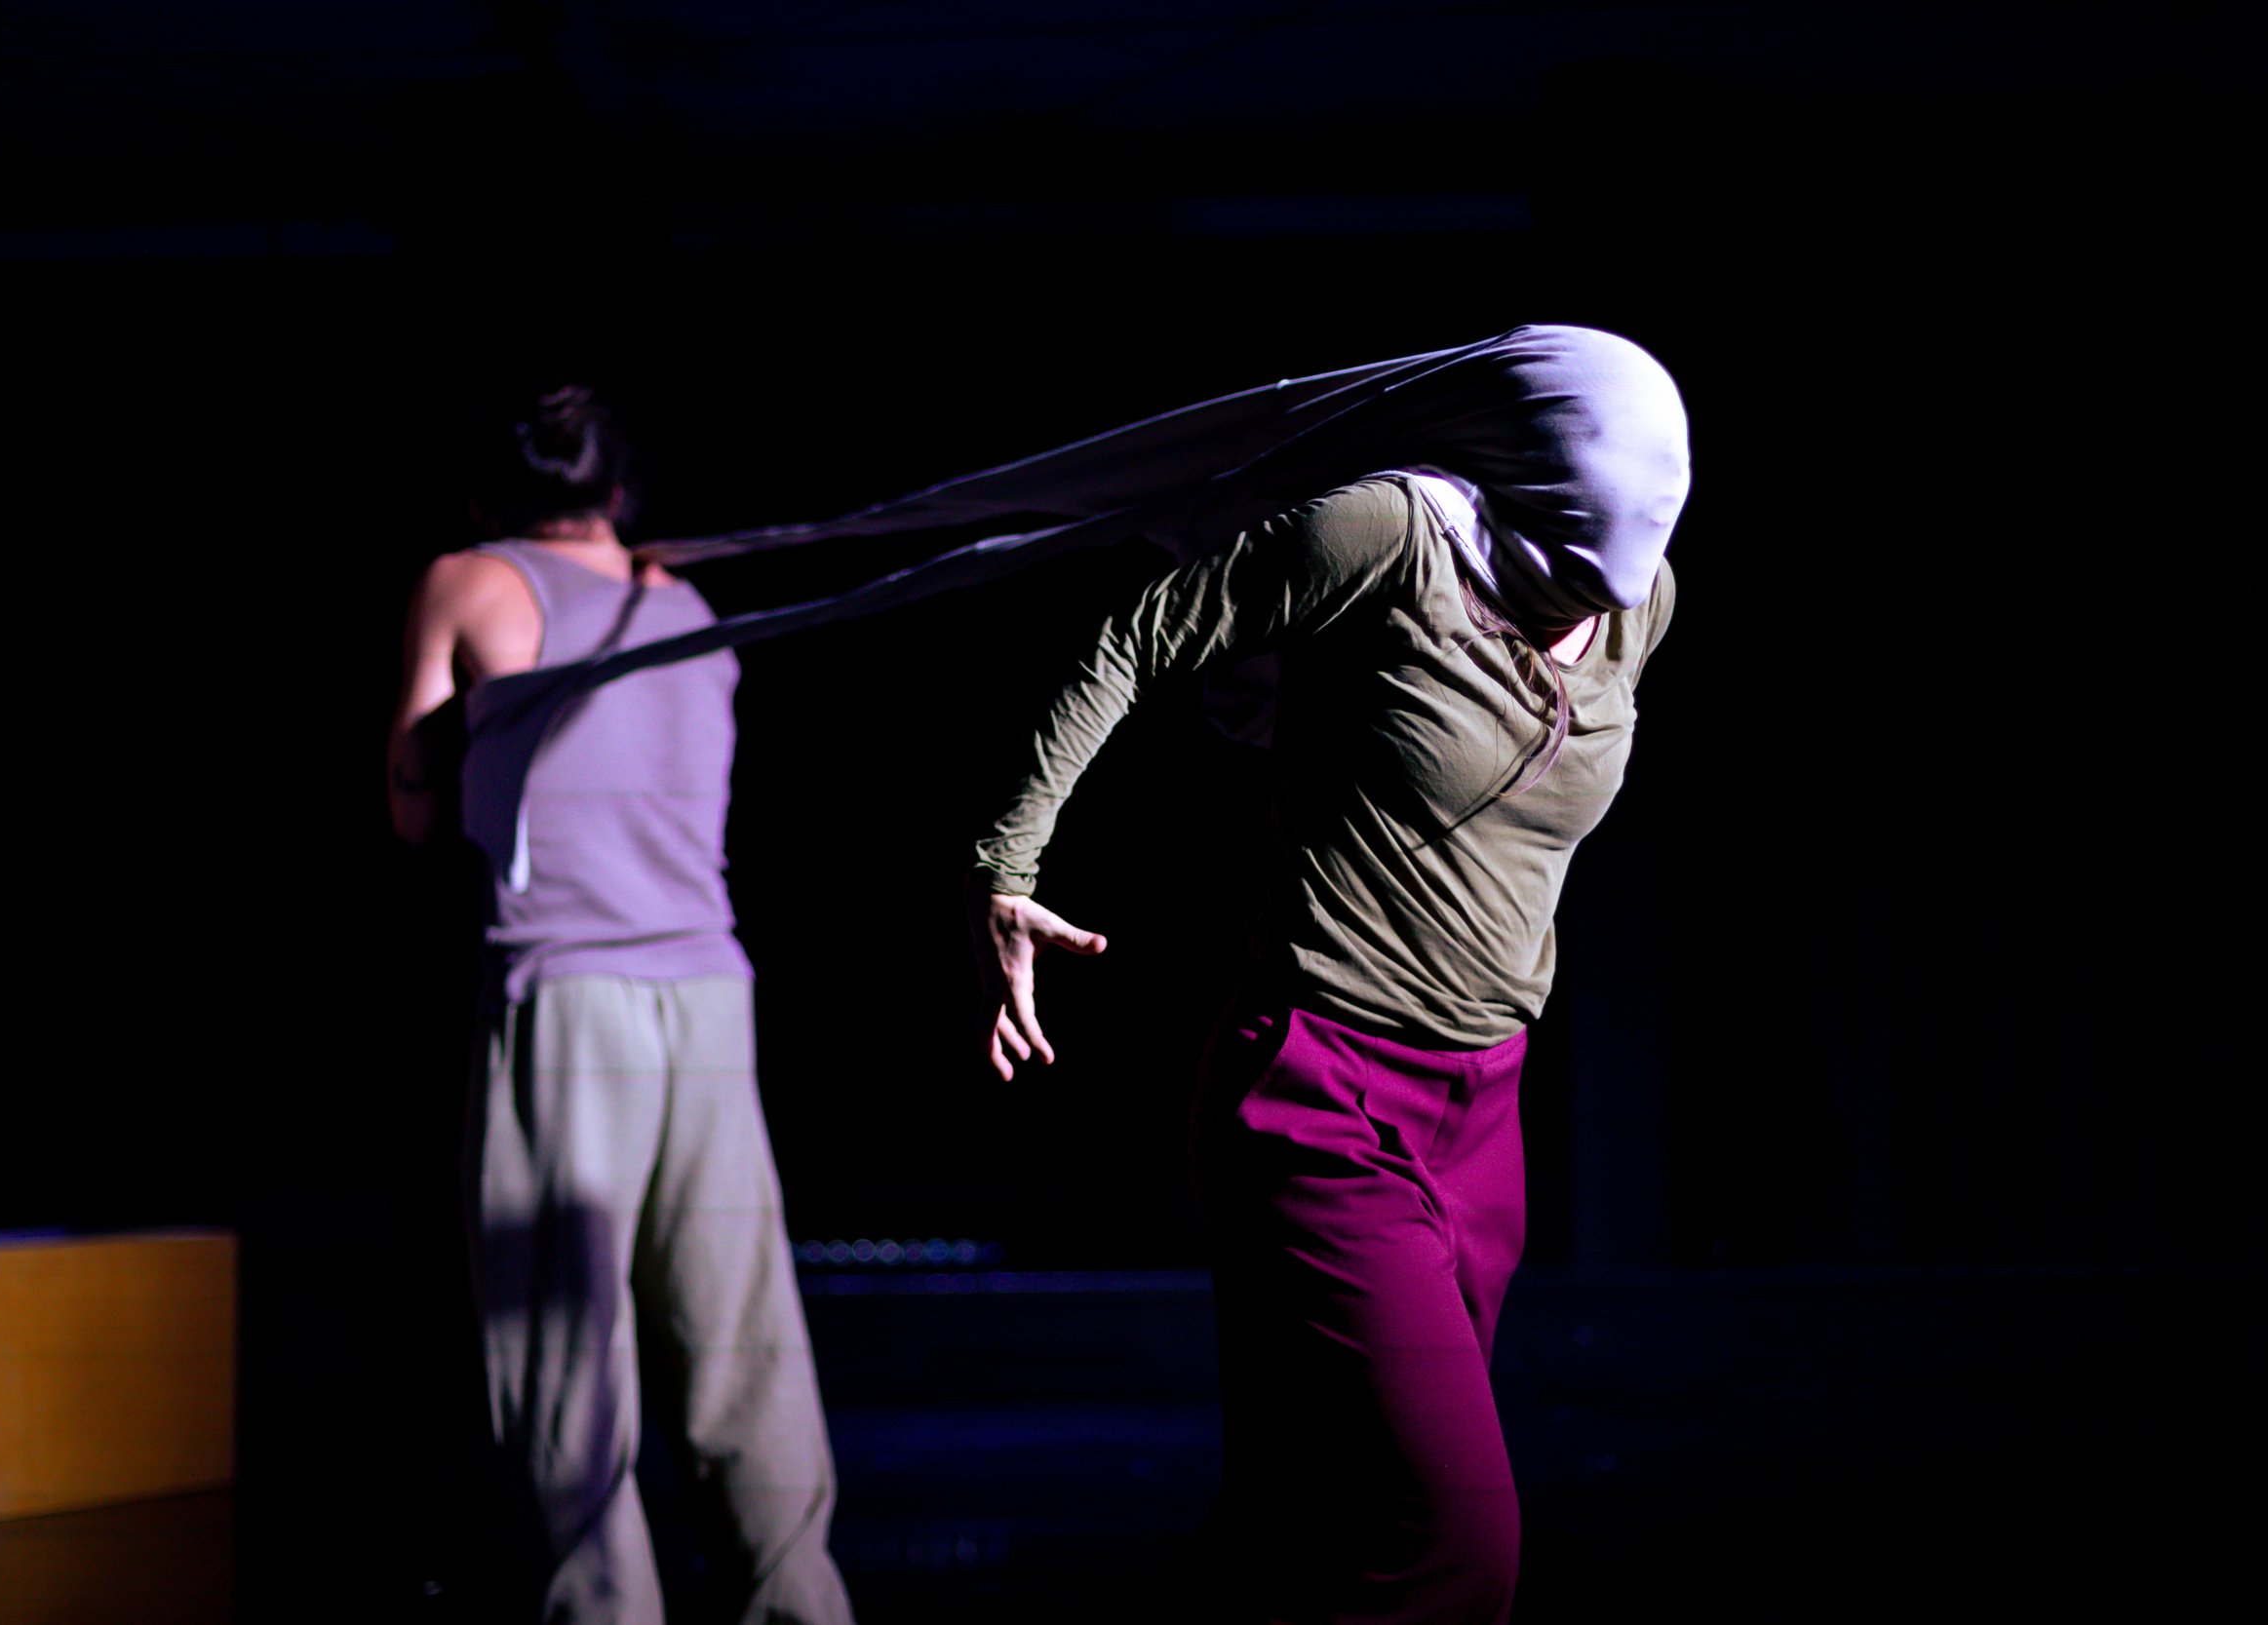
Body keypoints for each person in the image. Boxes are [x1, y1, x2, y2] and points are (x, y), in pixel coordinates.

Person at [964, 328, 1690, 1624]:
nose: (1601, 579)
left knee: (1299, 1520)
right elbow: (1136, 637)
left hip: (1484, 1118)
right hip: (1317, 1099)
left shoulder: (1645, 598)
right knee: (1458, 1544)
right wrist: (1010, 860)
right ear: (1526, 474)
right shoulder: (1391, 534)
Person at [388, 384, 854, 1625]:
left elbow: (413, 805)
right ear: (617, 495)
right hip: (708, 994)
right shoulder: (691, 603)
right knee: (740, 1338)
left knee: (561, 1352)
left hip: (569, 998)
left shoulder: (469, 578)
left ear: (492, 497)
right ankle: (801, 1605)